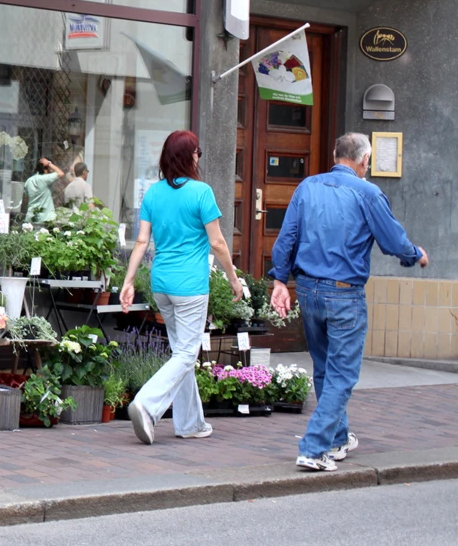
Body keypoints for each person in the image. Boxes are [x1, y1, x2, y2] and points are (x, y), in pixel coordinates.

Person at [269, 132, 427, 472]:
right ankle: (313, 448)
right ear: (364, 161)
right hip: (344, 294)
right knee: (342, 375)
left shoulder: (307, 187)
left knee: (325, 369)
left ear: (336, 154)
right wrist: (416, 255)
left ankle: (338, 439)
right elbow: (394, 241)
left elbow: (287, 239)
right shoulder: (367, 192)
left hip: (308, 290)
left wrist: (280, 281)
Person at [119, 130, 240, 444]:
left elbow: (142, 242)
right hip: (190, 285)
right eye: (197, 151)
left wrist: (128, 280)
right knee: (186, 354)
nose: (199, 156)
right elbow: (217, 242)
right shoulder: (201, 192)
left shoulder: (154, 193)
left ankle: (190, 424)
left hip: (161, 284)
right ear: (190, 156)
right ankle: (147, 405)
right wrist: (233, 277)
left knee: (180, 353)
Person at [23, 157, 65, 223]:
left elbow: (26, 199)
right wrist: (49, 163)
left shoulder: (28, 181)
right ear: (47, 168)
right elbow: (60, 173)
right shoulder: (45, 178)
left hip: (31, 216)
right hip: (46, 218)